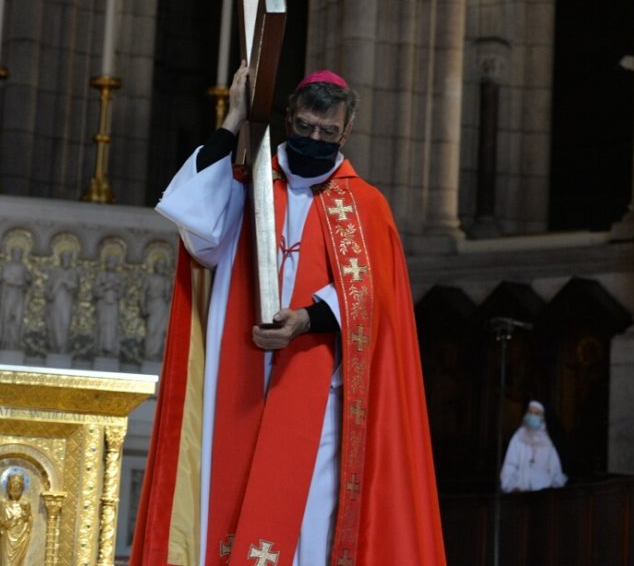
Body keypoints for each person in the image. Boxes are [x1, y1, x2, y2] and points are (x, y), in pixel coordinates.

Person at [130, 66, 445, 566]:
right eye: (305, 128)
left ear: (347, 132)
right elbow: (196, 232)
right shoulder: (247, 185)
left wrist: (306, 318)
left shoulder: (364, 204)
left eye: (328, 132)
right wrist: (234, 117)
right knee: (227, 504)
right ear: (290, 119)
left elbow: (374, 303)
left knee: (310, 525)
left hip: (317, 393)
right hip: (240, 381)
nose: (315, 139)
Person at [499, 400, 567, 492]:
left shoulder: (548, 441)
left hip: (543, 495)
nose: (532, 416)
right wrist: (511, 487)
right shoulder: (518, 437)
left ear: (543, 418)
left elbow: (555, 471)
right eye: (530, 412)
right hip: (519, 493)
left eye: (537, 413)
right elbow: (510, 465)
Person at [0, 470, 32, 566]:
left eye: (18, 487)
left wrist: (25, 516)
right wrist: (5, 524)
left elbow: (29, 522)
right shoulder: (3, 503)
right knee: (5, 562)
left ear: (22, 488)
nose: (15, 489)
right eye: (13, 486)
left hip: (20, 537)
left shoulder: (26, 504)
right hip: (6, 538)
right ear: (9, 487)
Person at [0, 248, 31, 351]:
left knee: (17, 319)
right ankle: (5, 343)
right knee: (7, 317)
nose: (18, 255)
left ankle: (15, 344)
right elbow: (2, 279)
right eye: (16, 253)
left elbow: (28, 281)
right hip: (8, 295)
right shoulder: (7, 266)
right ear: (12, 254)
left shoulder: (23, 268)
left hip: (19, 296)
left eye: (19, 253)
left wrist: (22, 284)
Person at [46, 251, 78, 354]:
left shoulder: (72, 272)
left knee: (65, 324)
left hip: (66, 303)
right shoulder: (55, 272)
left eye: (68, 259)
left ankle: (63, 349)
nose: (66, 261)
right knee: (55, 325)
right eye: (64, 258)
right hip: (55, 303)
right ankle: (55, 347)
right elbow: (48, 288)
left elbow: (75, 287)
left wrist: (64, 281)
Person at [91, 253, 123, 356]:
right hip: (103, 304)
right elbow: (95, 291)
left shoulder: (119, 276)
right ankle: (100, 348)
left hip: (113, 304)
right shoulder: (101, 275)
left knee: (112, 326)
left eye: (113, 262)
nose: (111, 264)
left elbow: (122, 291)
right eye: (109, 262)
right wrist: (106, 287)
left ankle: (111, 349)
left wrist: (115, 288)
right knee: (102, 324)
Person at [141, 258, 171, 360]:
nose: (161, 267)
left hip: (162, 307)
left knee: (161, 331)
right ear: (155, 266)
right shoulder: (149, 278)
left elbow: (168, 295)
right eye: (159, 264)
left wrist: (167, 296)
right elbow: (143, 293)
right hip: (152, 305)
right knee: (151, 329)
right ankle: (149, 353)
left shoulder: (167, 280)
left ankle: (156, 353)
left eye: (163, 265)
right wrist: (143, 307)